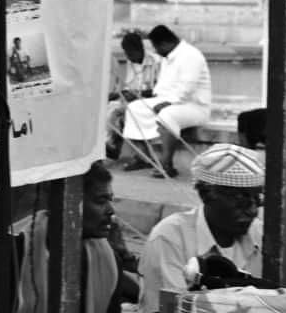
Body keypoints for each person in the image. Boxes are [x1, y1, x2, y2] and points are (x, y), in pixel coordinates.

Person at [0, 160, 131, 313]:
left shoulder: (108, 261)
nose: (110, 210)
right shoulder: (3, 254)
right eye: (100, 201)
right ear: (65, 201)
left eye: (110, 200)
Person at [138, 144, 268, 311]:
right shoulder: (169, 238)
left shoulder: (260, 233)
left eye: (257, 199)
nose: (253, 210)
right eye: (241, 199)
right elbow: (170, 307)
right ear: (206, 194)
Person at [122, 25, 211, 178]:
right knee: (134, 108)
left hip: (194, 107)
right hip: (170, 101)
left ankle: (166, 165)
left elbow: (187, 87)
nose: (156, 51)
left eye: (156, 47)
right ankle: (143, 157)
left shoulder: (191, 55)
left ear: (165, 43)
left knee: (167, 115)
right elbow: (162, 88)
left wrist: (168, 103)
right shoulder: (168, 57)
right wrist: (156, 99)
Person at [106, 32, 160, 160]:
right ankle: (109, 145)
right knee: (110, 107)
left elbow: (160, 90)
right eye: (126, 53)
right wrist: (118, 94)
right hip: (133, 100)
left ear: (139, 49)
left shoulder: (156, 62)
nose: (128, 56)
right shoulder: (131, 62)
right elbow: (129, 86)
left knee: (118, 113)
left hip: (149, 102)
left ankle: (113, 146)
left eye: (129, 53)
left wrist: (137, 94)